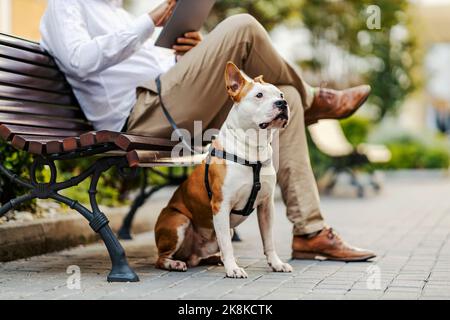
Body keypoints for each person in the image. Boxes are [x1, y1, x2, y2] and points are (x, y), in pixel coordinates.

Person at [40, 0, 375, 261]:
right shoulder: (66, 4)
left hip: (165, 107)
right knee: (242, 26)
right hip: (137, 119)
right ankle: (317, 97)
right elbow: (79, 60)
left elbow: (151, 69)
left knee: (286, 98)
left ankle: (310, 231)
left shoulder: (115, 13)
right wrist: (148, 23)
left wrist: (190, 55)